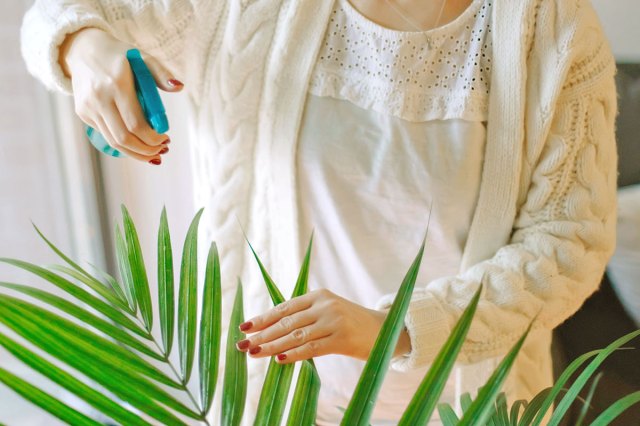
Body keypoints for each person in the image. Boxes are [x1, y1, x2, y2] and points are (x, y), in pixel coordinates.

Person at [21, 0, 618, 424]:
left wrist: (391, 330)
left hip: (473, 407)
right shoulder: (238, 10)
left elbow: (568, 246)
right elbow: (52, 15)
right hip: (267, 405)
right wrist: (84, 48)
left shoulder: (554, 27)